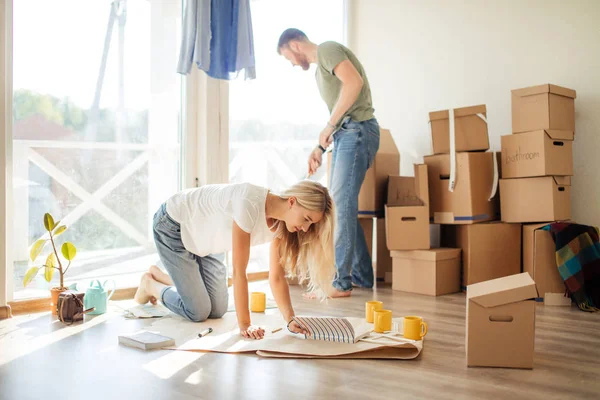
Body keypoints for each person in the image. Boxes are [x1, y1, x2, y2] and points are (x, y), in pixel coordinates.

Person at [134, 180, 335, 340]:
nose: (306, 228)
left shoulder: (283, 226)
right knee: (198, 311)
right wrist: (246, 325)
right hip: (175, 225)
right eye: (307, 219)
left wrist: (290, 319)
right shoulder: (249, 202)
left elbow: (276, 277)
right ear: (292, 201)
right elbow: (239, 272)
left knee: (218, 310)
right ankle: (150, 284)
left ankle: (163, 277)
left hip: (209, 243)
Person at [277, 28, 380, 297]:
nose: (290, 63)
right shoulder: (321, 67)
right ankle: (362, 276)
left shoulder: (327, 50)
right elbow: (341, 108)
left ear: (294, 44)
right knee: (341, 206)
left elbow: (354, 83)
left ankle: (341, 283)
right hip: (348, 133)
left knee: (340, 205)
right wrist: (320, 147)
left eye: (287, 56)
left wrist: (329, 126)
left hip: (357, 131)